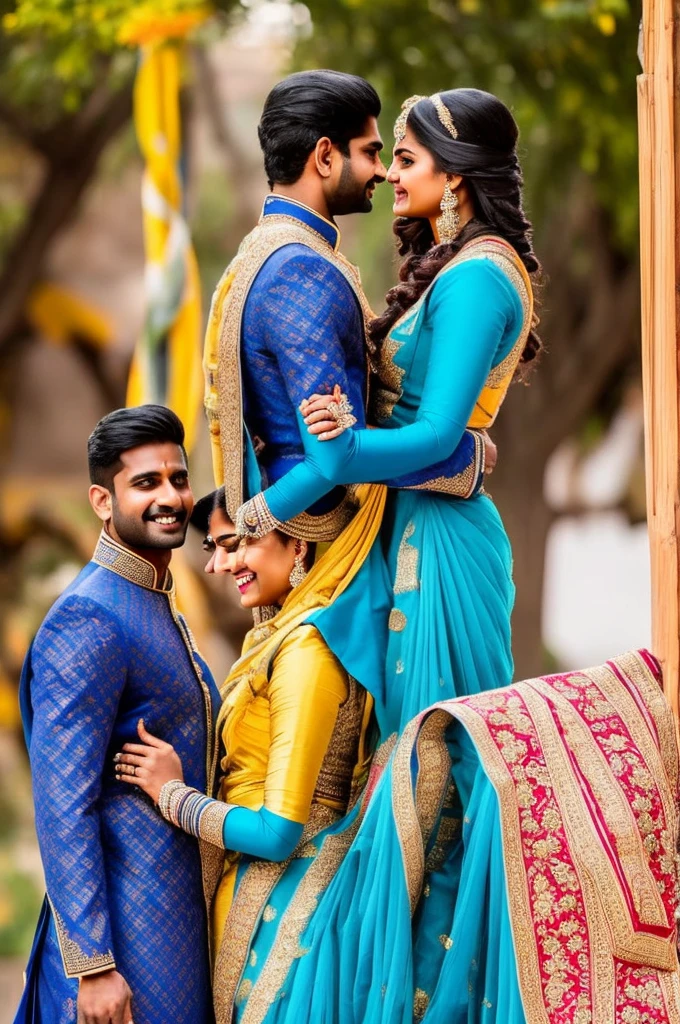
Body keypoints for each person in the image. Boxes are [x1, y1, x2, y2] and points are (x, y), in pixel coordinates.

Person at [237, 86, 540, 737]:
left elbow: (435, 433)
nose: (389, 174)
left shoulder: (480, 277)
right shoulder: (454, 269)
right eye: (387, 157)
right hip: (409, 522)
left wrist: (338, 456)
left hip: (442, 542)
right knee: (408, 752)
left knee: (440, 759)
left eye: (404, 159)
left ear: (454, 172)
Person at [114, 482, 387, 1024]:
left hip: (286, 905)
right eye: (216, 547)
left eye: (236, 543)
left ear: (299, 546)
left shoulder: (307, 651)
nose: (218, 563)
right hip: (259, 894)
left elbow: (278, 831)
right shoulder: (276, 638)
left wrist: (175, 797)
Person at [15, 406, 220, 1024]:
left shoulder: (149, 600)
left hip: (173, 925)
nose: (171, 498)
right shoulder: (90, 616)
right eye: (146, 483)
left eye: (178, 479)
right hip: (127, 947)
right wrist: (95, 968)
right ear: (102, 501)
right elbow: (62, 802)